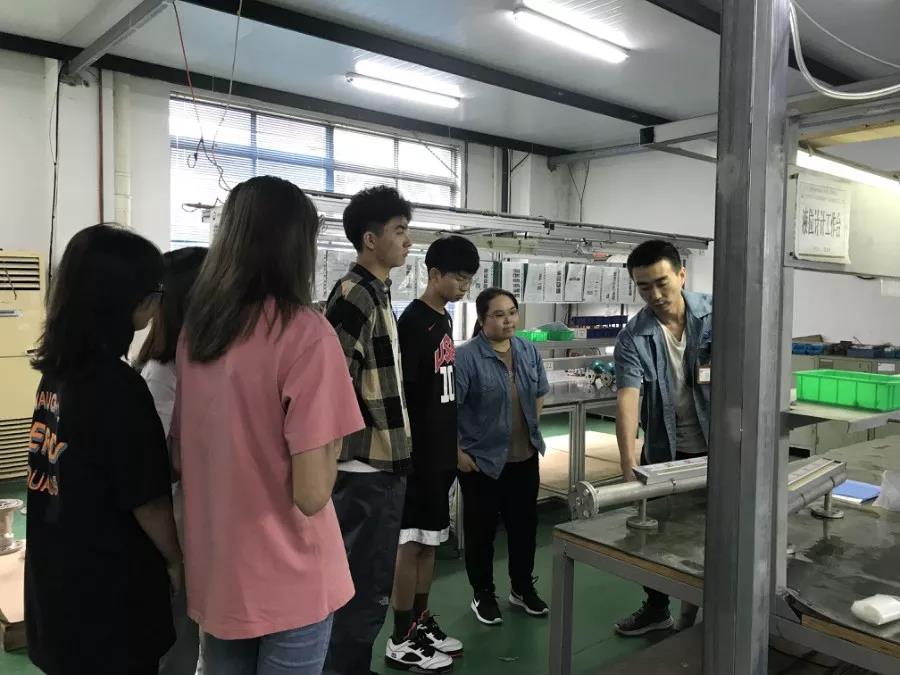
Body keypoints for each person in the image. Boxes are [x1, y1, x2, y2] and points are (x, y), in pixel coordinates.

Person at [172, 176, 363, 674]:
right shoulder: (305, 332)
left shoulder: (199, 332)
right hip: (290, 574)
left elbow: (179, 454)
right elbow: (312, 494)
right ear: (297, 245)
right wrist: (333, 439)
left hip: (220, 572)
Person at [26, 224, 180, 675]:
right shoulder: (117, 388)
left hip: (57, 581)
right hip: (108, 599)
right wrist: (177, 561)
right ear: (128, 299)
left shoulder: (58, 373)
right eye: (154, 291)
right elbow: (148, 501)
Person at [323, 186, 426, 675]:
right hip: (364, 468)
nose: (408, 241)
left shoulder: (377, 292)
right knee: (360, 591)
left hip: (380, 464)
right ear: (370, 239)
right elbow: (332, 382)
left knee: (370, 586)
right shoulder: (355, 294)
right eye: (400, 231)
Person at [386, 236, 480, 670]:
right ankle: (399, 636)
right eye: (459, 278)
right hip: (418, 458)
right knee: (410, 545)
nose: (464, 287)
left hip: (440, 455)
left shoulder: (443, 319)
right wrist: (414, 455)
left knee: (429, 545)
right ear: (435, 273)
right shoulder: (413, 323)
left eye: (469, 280)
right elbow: (404, 398)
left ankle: (420, 621)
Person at [613, 239, 712, 636]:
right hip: (664, 452)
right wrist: (628, 468)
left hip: (718, 449)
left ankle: (705, 611)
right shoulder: (634, 336)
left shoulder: (717, 316)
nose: (654, 294)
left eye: (661, 282)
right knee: (654, 535)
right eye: (643, 286)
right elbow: (628, 398)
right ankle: (657, 609)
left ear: (681, 275)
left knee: (715, 534)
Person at [455, 287, 551, 627]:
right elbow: (448, 409)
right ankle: (483, 593)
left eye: (512, 312)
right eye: (498, 314)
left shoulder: (527, 350)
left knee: (524, 528)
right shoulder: (465, 357)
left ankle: (522, 587)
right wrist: (457, 453)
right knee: (481, 533)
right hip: (481, 463)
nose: (508, 320)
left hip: (524, 458)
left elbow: (539, 391)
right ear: (482, 319)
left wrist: (530, 427)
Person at [134, 246, 207, 675]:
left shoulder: (186, 361)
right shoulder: (164, 373)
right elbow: (164, 466)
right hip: (176, 526)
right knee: (179, 639)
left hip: (191, 522)